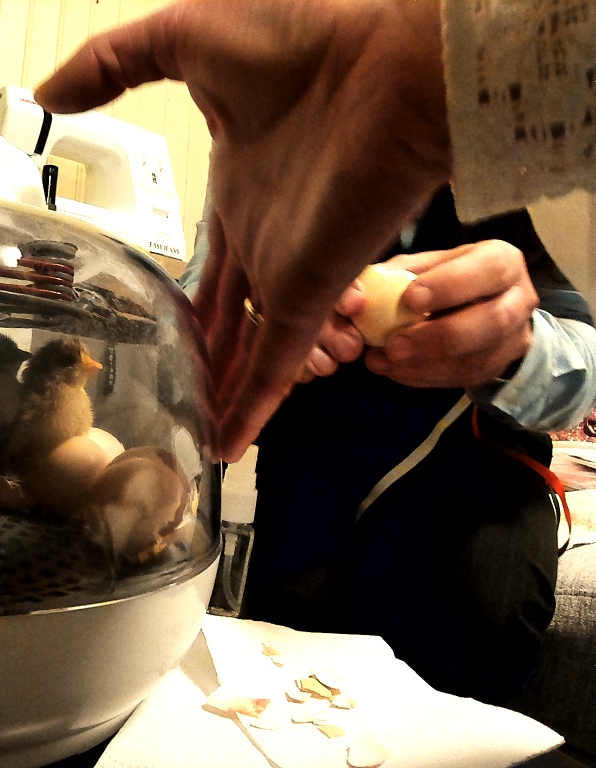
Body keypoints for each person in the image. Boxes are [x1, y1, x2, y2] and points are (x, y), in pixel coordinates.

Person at [35, 0, 596, 463]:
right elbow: (211, 297)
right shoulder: (291, 117)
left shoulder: (559, 113)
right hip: (305, 483)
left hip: (477, 492)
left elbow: (587, 364)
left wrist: (518, 349)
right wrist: (252, 321)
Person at [181, 183, 596, 704]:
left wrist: (521, 347)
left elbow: (583, 355)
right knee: (272, 659)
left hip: (478, 457)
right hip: (306, 443)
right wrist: (242, 313)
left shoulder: (560, 160)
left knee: (482, 618)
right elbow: (200, 299)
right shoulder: (273, 147)